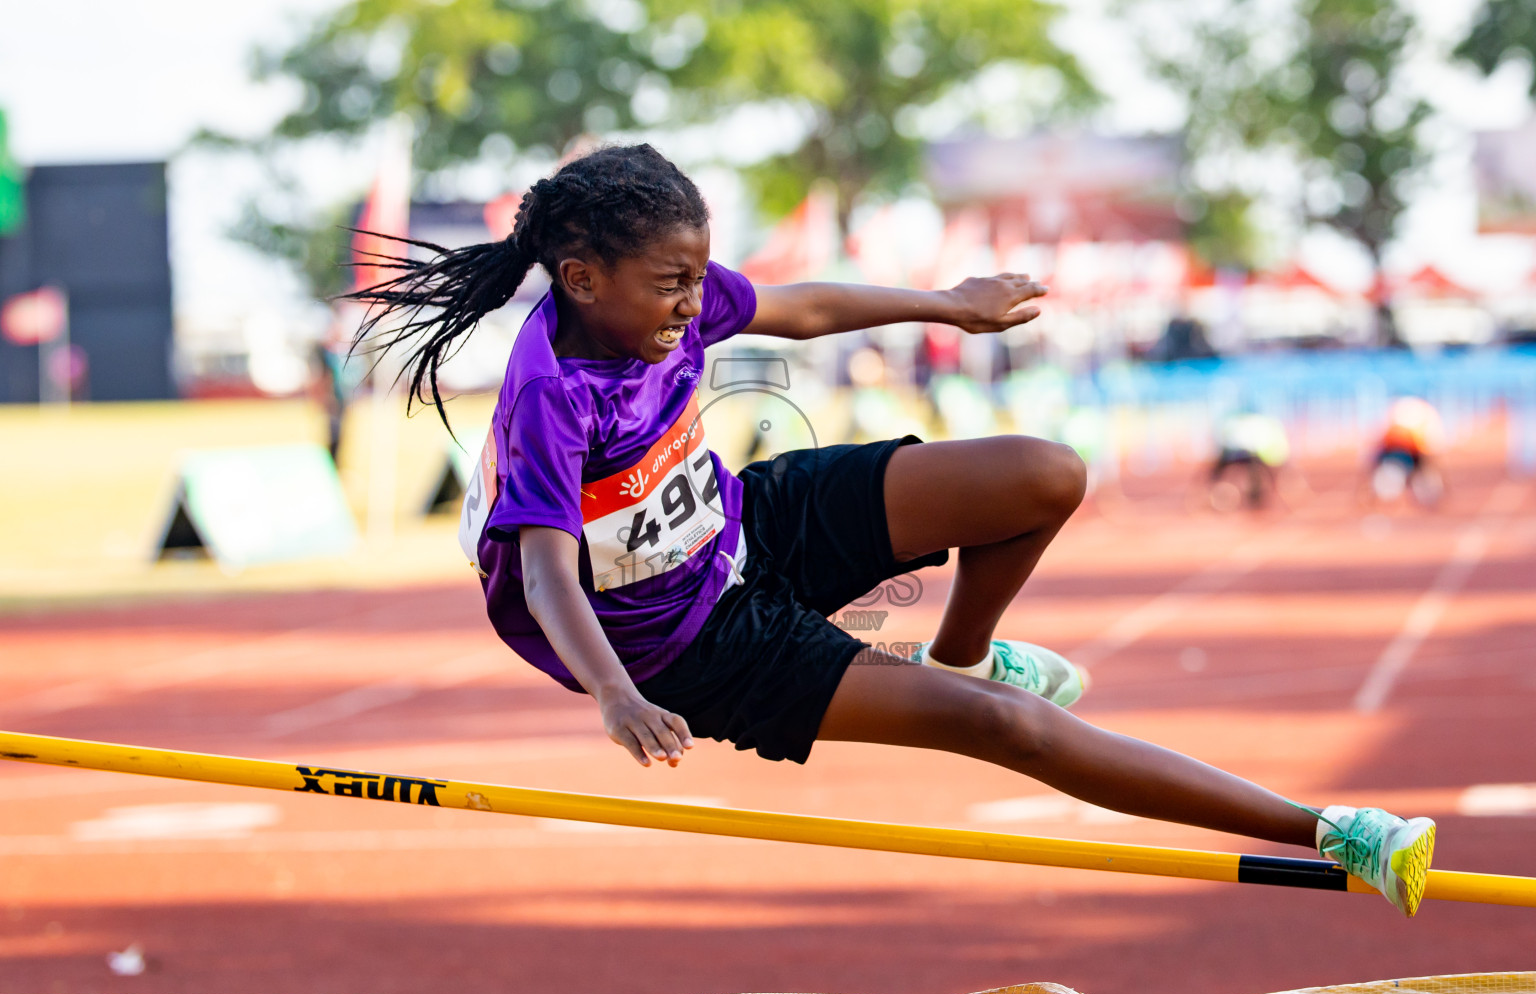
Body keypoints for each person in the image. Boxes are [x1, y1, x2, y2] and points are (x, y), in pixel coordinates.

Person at [347, 144, 1435, 916]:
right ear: (584, 281)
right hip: (682, 650)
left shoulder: (660, 293)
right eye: (673, 284)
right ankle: (1337, 833)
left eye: (698, 277)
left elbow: (801, 306)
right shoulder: (552, 393)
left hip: (741, 529)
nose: (696, 302)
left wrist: (945, 303)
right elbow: (545, 579)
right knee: (999, 728)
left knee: (1040, 475)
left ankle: (967, 646)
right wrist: (619, 695)